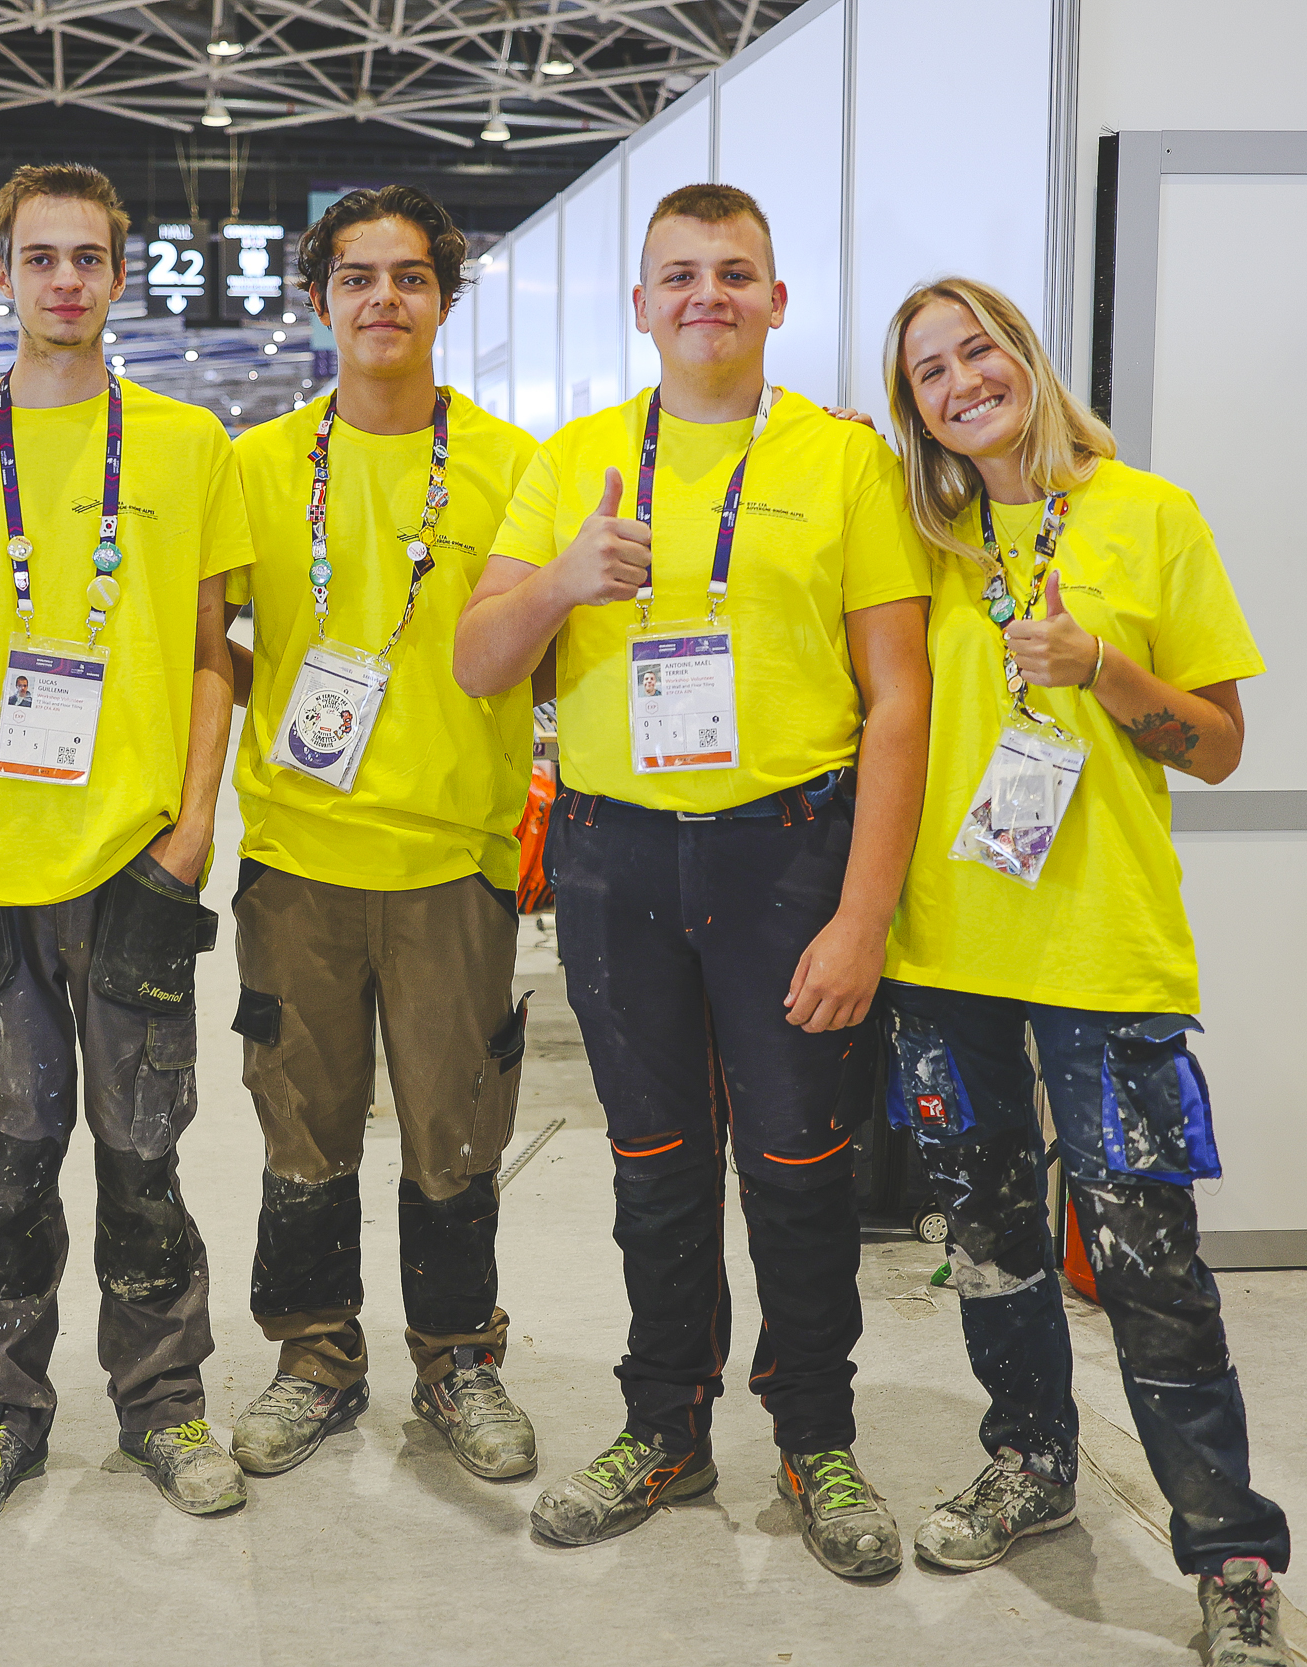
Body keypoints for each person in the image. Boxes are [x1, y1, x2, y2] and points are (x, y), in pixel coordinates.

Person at [453, 183, 931, 1576]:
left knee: (798, 1163)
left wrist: (862, 913)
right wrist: (558, 584)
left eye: (735, 273)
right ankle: (663, 1423)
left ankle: (816, 1437)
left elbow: (896, 701)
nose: (706, 295)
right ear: (643, 303)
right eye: (680, 275)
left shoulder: (842, 466)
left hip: (789, 855)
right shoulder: (575, 461)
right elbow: (482, 661)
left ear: (777, 301)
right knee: (654, 1165)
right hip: (615, 864)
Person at [876, 275, 1289, 1667]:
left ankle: (1229, 1548)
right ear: (913, 408)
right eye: (928, 371)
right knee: (989, 1245)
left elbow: (1218, 745)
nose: (959, 382)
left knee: (1147, 1260)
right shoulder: (919, 538)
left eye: (975, 350)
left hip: (1104, 954)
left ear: (1026, 358)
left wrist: (1104, 663)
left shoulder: (1148, 512)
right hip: (946, 952)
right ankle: (1029, 1463)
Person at [0, 162, 253, 1533]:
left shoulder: (183, 443)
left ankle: (164, 1406)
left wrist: (192, 824)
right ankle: (2, 1412)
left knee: (144, 1147)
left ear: (120, 274)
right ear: (1, 273)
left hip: (134, 862)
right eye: (37, 258)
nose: (62, 280)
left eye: (87, 257)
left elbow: (217, 653)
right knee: (12, 1153)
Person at [221, 185, 544, 1484]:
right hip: (296, 862)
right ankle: (313, 1356)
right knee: (302, 1132)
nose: (383, 300)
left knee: (453, 1132)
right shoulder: (256, 466)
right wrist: (283, 718)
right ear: (320, 301)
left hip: (451, 862)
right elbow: (203, 643)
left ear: (445, 299)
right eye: (357, 278)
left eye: (410, 278)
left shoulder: (517, 466)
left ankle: (458, 1359)